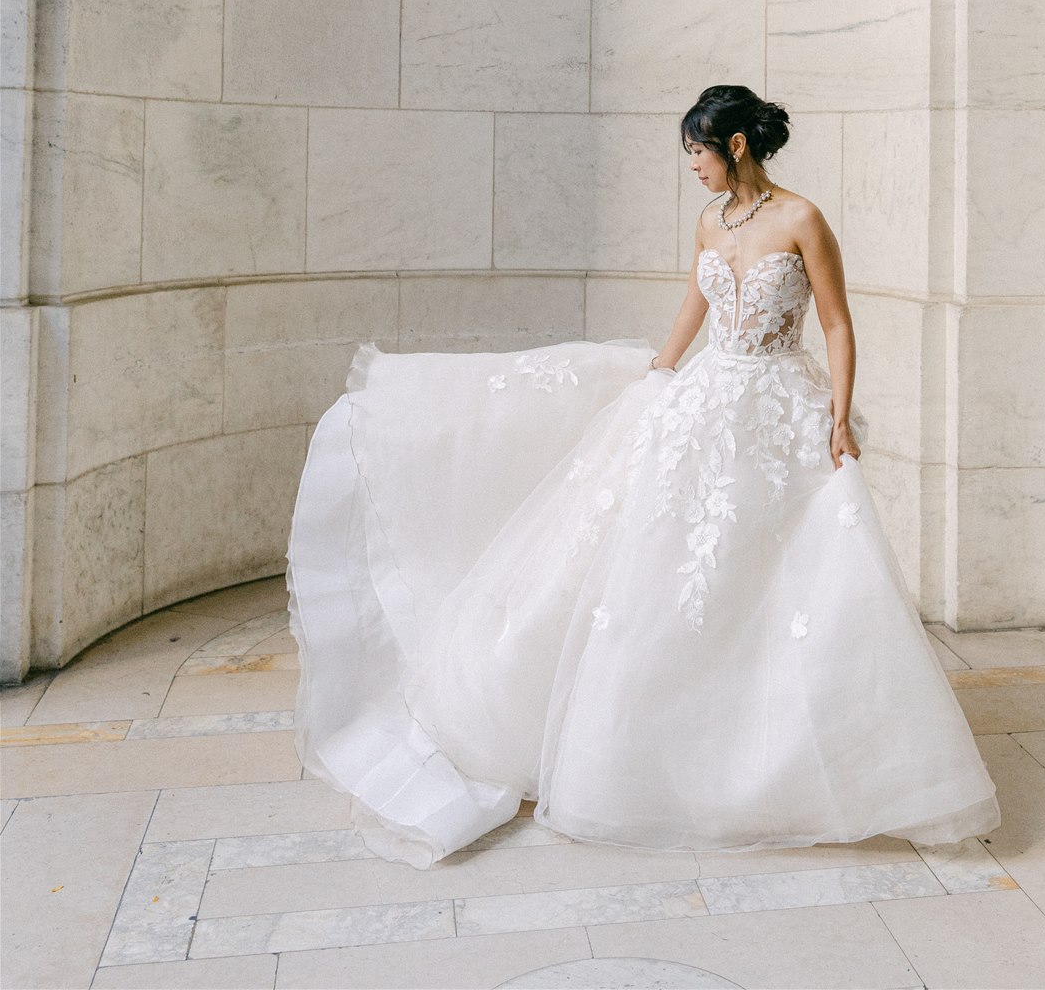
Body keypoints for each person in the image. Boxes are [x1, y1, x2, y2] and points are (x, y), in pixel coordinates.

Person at [287, 83, 1000, 867]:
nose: (690, 167)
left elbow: (834, 321)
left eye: (696, 152)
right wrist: (660, 370)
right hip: (706, 397)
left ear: (733, 146)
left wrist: (837, 415)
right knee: (672, 560)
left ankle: (794, 750)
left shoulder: (801, 219)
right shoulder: (709, 220)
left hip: (777, 408)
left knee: (784, 569)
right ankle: (661, 741)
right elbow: (694, 307)